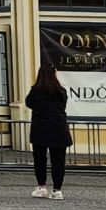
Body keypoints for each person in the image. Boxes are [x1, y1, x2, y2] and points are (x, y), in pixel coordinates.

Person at [25, 62, 71, 200]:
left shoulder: (36, 91)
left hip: (40, 128)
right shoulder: (61, 91)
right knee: (58, 161)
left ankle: (41, 187)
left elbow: (29, 103)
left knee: (40, 159)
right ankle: (57, 190)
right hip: (59, 128)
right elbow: (63, 105)